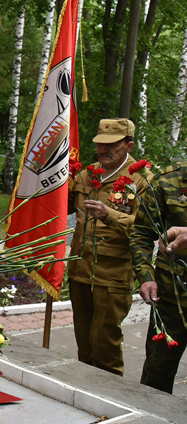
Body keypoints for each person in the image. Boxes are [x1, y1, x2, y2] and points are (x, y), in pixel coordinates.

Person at [67, 119, 152, 376]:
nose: (103, 150)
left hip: (113, 274)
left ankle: (110, 394)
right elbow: (60, 207)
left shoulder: (141, 180)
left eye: (111, 145)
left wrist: (109, 215)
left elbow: (146, 229)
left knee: (105, 342)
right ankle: (84, 392)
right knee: (84, 342)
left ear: (129, 145)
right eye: (100, 144)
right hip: (80, 269)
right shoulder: (86, 174)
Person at [131, 161, 187, 393]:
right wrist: (145, 276)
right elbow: (141, 233)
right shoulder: (167, 180)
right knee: (157, 376)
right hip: (171, 301)